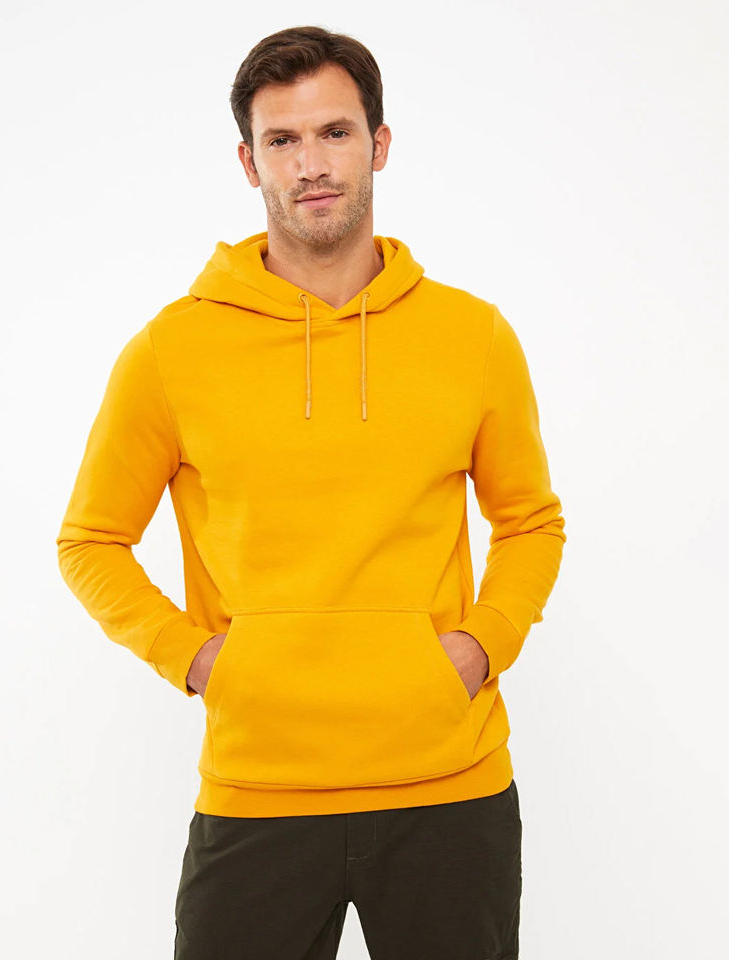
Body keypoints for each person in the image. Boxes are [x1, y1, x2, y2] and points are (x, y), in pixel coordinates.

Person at [56, 24, 566, 960]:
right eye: (282, 141)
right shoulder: (172, 351)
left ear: (379, 144)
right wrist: (199, 659)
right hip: (259, 793)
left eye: (335, 132)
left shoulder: (474, 337)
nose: (312, 165)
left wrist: (481, 646)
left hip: (449, 793)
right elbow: (90, 540)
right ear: (249, 163)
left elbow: (530, 521)